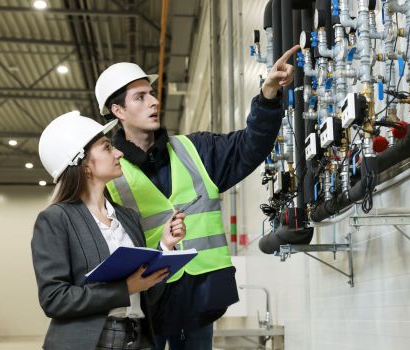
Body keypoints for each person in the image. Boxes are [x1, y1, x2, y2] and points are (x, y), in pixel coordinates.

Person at [94, 45, 300, 350]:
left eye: (151, 93)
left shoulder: (196, 150)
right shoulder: (110, 171)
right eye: (140, 97)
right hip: (149, 303)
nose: (154, 101)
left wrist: (267, 96)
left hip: (202, 296)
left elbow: (250, 146)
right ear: (118, 111)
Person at [31, 111, 187, 350]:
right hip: (88, 342)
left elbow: (147, 295)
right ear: (83, 165)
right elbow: (54, 299)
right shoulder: (55, 219)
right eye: (107, 148)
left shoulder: (128, 218)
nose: (119, 153)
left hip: (138, 339)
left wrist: (165, 247)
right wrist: (125, 289)